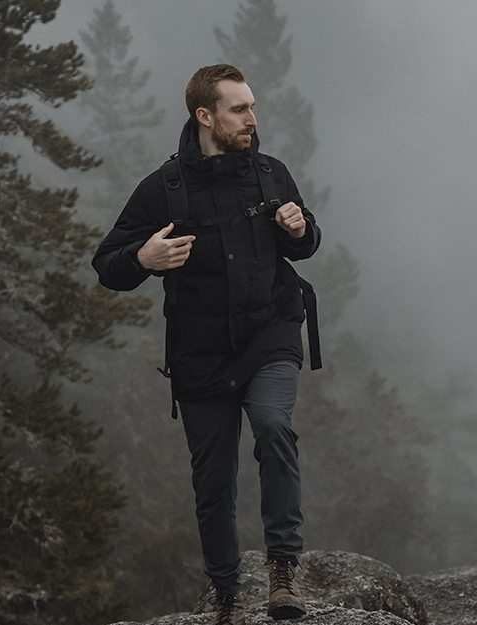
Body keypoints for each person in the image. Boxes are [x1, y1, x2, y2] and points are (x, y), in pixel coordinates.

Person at [93, 64, 320, 625]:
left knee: (273, 425)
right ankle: (226, 594)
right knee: (213, 480)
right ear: (205, 116)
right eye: (239, 109)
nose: (252, 118)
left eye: (251, 106)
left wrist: (299, 228)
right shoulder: (163, 189)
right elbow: (108, 264)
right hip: (199, 352)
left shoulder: (271, 174)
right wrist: (143, 259)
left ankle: (284, 573)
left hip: (270, 332)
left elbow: (306, 244)